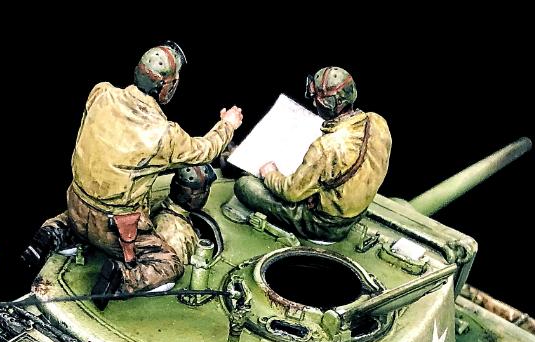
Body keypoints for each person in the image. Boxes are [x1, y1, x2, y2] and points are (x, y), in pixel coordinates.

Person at [23, 43, 242, 301]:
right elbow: (204, 150)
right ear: (167, 87)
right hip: (115, 232)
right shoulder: (163, 134)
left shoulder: (101, 92)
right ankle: (121, 278)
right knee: (169, 265)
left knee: (84, 214)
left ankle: (56, 231)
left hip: (76, 207)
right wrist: (227, 125)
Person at [235, 66, 391, 242]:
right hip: (355, 213)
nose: (315, 103)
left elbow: (291, 192)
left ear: (328, 104)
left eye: (317, 98)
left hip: (323, 225)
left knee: (245, 185)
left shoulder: (326, 147)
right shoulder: (378, 122)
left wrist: (270, 174)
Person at [153, 163, 217, 270]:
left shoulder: (163, 206)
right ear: (189, 196)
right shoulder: (176, 235)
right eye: (202, 192)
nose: (206, 194)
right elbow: (181, 271)